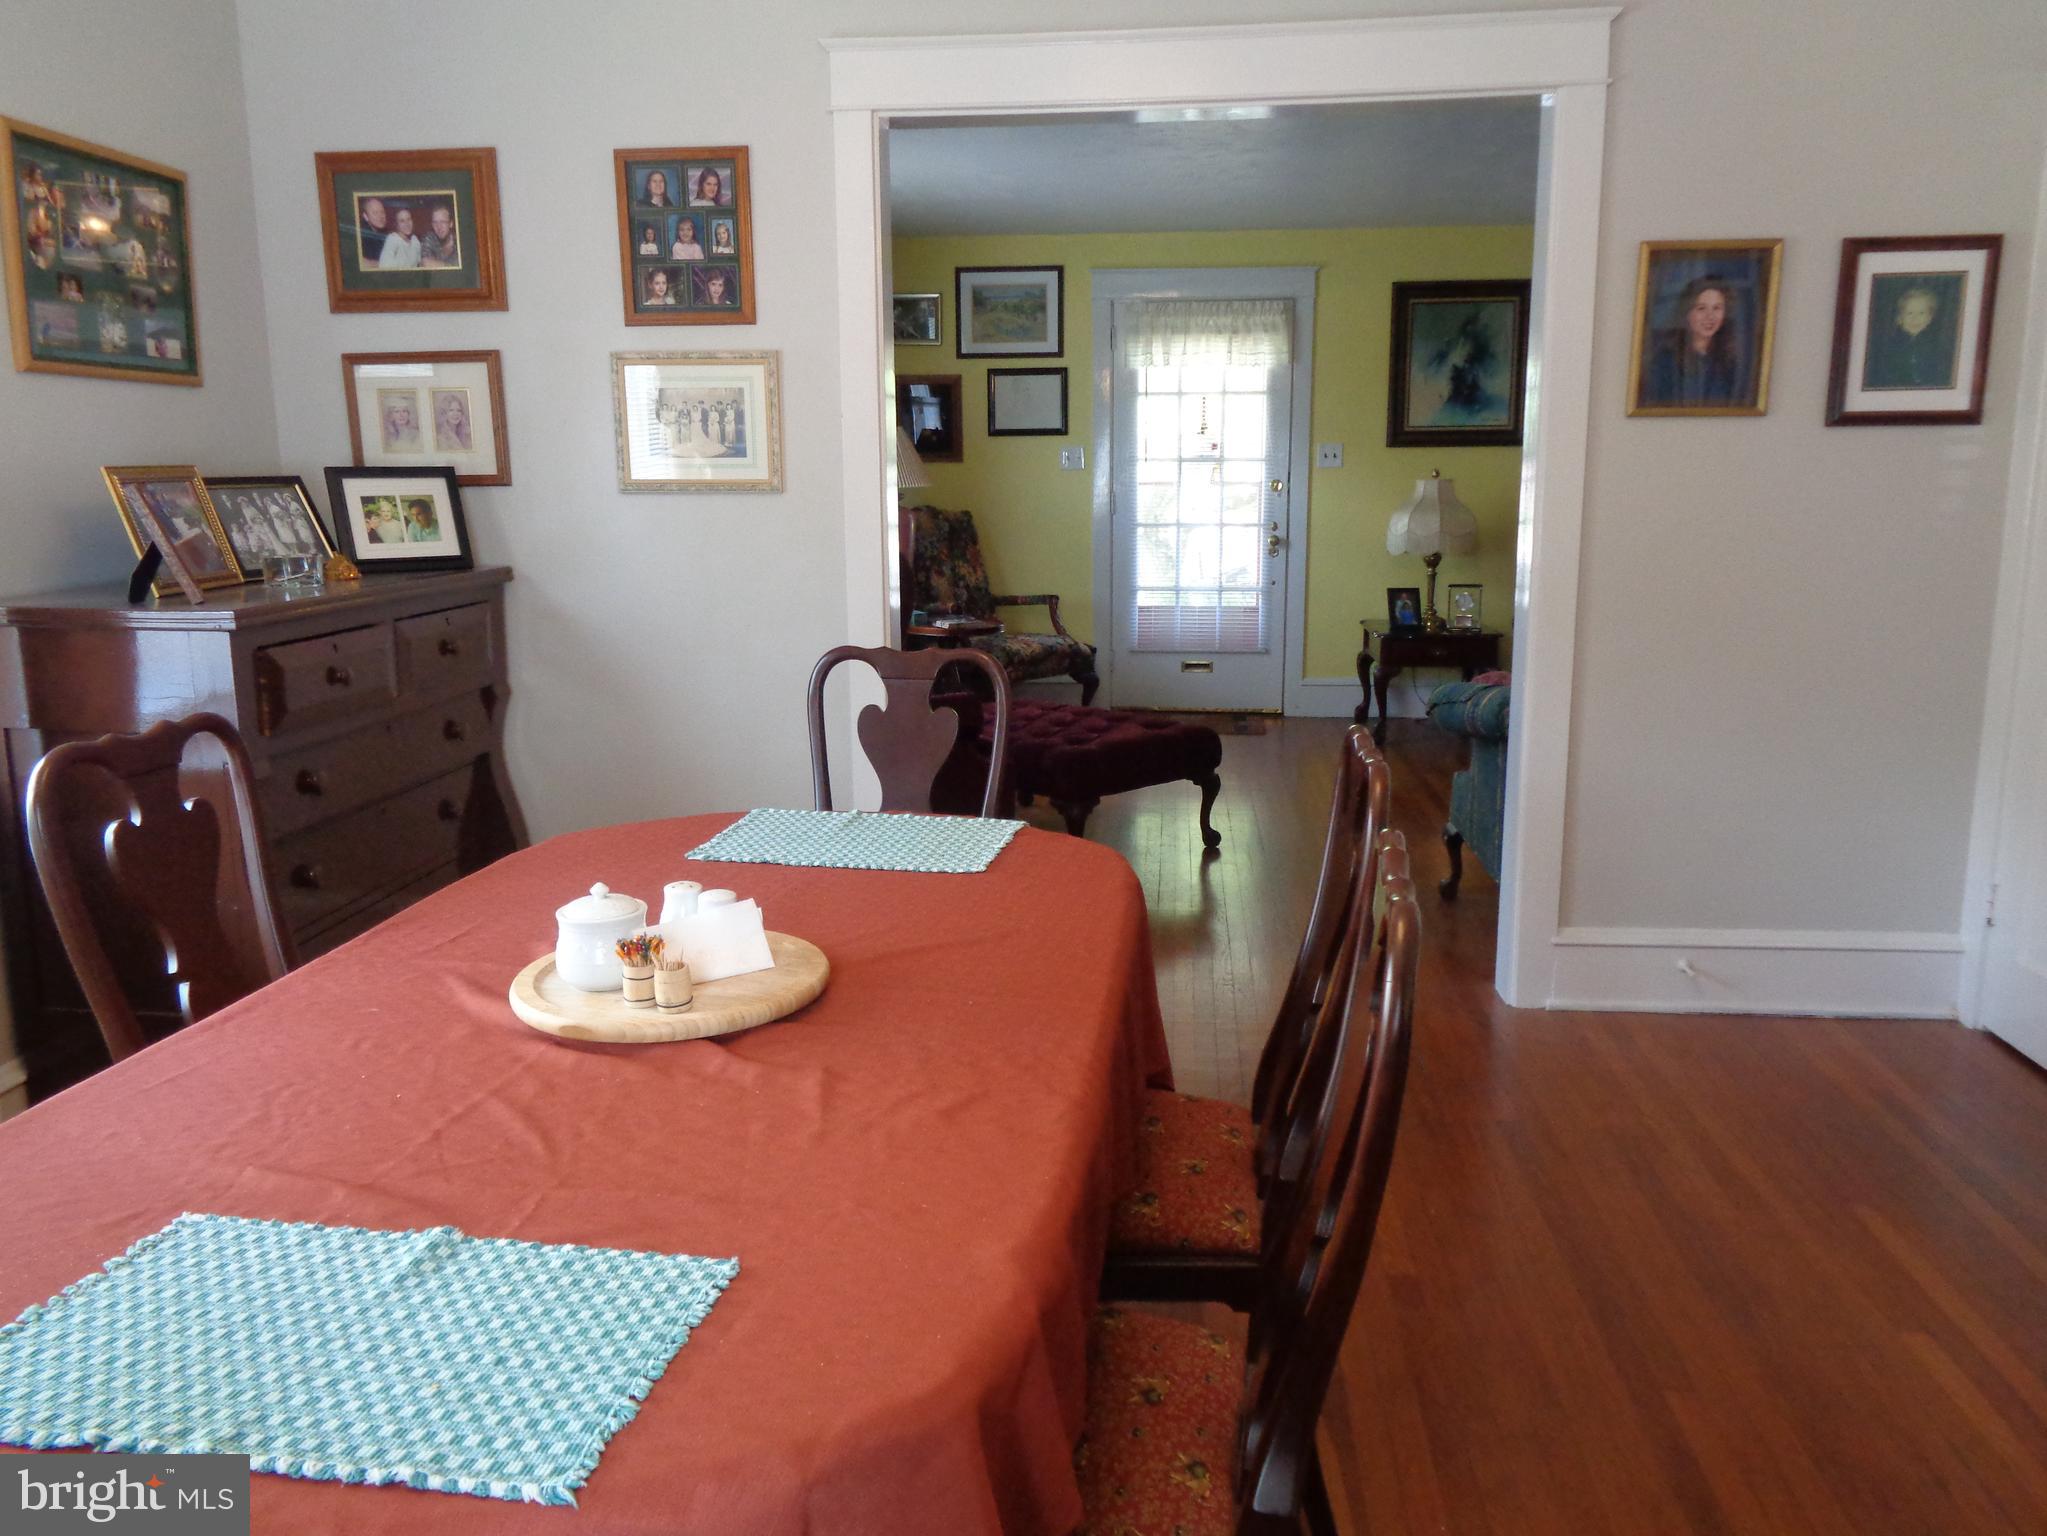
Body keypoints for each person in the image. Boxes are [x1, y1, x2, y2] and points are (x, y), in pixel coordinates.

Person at [1643, 274, 1743, 407]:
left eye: (1717, 308)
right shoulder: (1664, 360)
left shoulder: (1730, 359)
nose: (1710, 317)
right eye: (1701, 308)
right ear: (1687, 313)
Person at [1863, 283, 1954, 390]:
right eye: (1909, 313)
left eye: (1921, 313)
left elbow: (1942, 377)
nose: (1915, 318)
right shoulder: (1887, 347)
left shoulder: (1937, 347)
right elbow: (1880, 378)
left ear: (1930, 318)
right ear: (1899, 318)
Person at [357, 196, 389, 264]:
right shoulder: (362, 237)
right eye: (375, 213)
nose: (380, 216)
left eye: (382, 212)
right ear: (366, 216)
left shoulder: (385, 235)